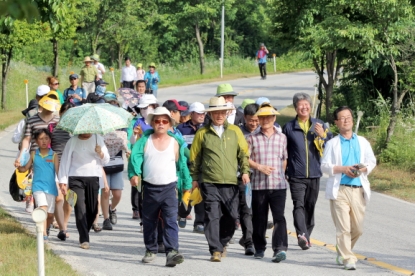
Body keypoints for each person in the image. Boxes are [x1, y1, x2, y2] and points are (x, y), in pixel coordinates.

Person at [190, 96, 250, 262]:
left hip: (231, 182)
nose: (219, 115)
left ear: (226, 112)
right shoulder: (202, 133)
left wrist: (245, 172)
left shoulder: (235, 131)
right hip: (209, 182)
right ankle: (215, 249)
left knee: (231, 217)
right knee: (212, 215)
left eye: (222, 112)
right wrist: (195, 178)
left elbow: (243, 154)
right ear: (210, 114)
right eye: (215, 112)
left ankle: (222, 242)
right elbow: (194, 158)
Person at [129, 107, 190, 267]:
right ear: (152, 123)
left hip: (170, 188)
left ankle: (172, 252)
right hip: (149, 188)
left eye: (164, 121)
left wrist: (187, 185)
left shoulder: (176, 143)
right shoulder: (145, 141)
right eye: (157, 121)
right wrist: (133, 175)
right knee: (149, 221)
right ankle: (150, 249)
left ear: (170, 123)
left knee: (170, 220)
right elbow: (135, 159)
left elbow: (182, 166)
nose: (161, 124)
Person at [321, 106, 376, 270]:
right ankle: (348, 258)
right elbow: (324, 167)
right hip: (340, 190)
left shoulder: (362, 141)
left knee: (357, 229)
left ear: (352, 119)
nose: (346, 120)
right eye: (342, 118)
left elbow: (371, 161)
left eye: (348, 117)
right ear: (336, 122)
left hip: (358, 189)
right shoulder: (332, 143)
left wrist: (361, 169)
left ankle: (342, 250)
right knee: (343, 228)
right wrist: (343, 169)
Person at [282, 92, 332, 250]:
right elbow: (283, 151)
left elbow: (330, 148)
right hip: (296, 174)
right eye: (300, 105)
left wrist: (323, 135)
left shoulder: (319, 125)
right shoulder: (289, 127)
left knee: (310, 206)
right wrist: (284, 171)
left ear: (310, 107)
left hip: (315, 174)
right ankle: (301, 234)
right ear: (296, 108)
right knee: (299, 205)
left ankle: (306, 235)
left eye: (306, 105)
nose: (304, 107)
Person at [247, 103, 289, 262]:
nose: (265, 120)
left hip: (278, 185)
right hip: (259, 185)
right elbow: (246, 159)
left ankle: (280, 248)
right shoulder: (251, 138)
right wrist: (259, 167)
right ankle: (259, 247)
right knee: (259, 218)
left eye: (269, 117)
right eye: (262, 117)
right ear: (258, 118)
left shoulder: (282, 137)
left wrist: (281, 175)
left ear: (274, 118)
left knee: (279, 217)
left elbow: (284, 159)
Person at [58, 133, 110, 249]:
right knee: (79, 207)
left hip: (93, 177)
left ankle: (84, 229)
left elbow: (106, 160)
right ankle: (84, 238)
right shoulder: (72, 141)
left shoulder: (98, 139)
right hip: (75, 177)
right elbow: (65, 160)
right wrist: (63, 180)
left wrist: (100, 152)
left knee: (93, 209)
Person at [14, 91, 61, 213]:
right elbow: (27, 139)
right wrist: (21, 156)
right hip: (36, 159)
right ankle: (40, 218)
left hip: (53, 159)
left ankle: (50, 218)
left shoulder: (58, 120)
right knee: (38, 189)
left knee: (54, 190)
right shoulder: (32, 120)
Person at [18, 128, 62, 242]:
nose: (44, 141)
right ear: (36, 141)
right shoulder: (33, 154)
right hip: (37, 187)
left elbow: (59, 173)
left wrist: (63, 184)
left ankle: (46, 228)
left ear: (50, 140)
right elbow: (25, 168)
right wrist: (19, 167)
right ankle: (43, 234)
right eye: (41, 139)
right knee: (43, 208)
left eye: (46, 138)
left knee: (50, 215)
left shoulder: (54, 155)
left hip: (51, 188)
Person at [176, 102, 206, 233]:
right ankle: (183, 213)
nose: (201, 116)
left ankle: (199, 223)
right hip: (186, 166)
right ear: (191, 114)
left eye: (203, 113)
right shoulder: (181, 129)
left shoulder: (206, 128)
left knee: (200, 193)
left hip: (201, 167)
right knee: (186, 190)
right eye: (199, 113)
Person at [236, 103, 259, 255]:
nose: (254, 124)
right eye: (251, 120)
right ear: (245, 118)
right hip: (243, 176)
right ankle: (249, 241)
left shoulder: (263, 132)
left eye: (257, 120)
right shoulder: (238, 133)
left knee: (258, 210)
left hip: (261, 177)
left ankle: (248, 237)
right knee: (246, 209)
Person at [51, 102, 75, 239]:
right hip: (56, 166)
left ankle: (64, 223)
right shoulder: (53, 127)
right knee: (58, 197)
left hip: (72, 168)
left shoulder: (77, 131)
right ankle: (62, 227)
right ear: (60, 114)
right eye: (65, 113)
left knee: (69, 199)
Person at [101, 127, 129, 231]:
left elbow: (126, 146)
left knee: (117, 194)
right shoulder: (101, 132)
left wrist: (127, 151)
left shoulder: (122, 132)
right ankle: (106, 219)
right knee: (105, 192)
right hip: (103, 165)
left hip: (117, 164)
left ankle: (111, 208)